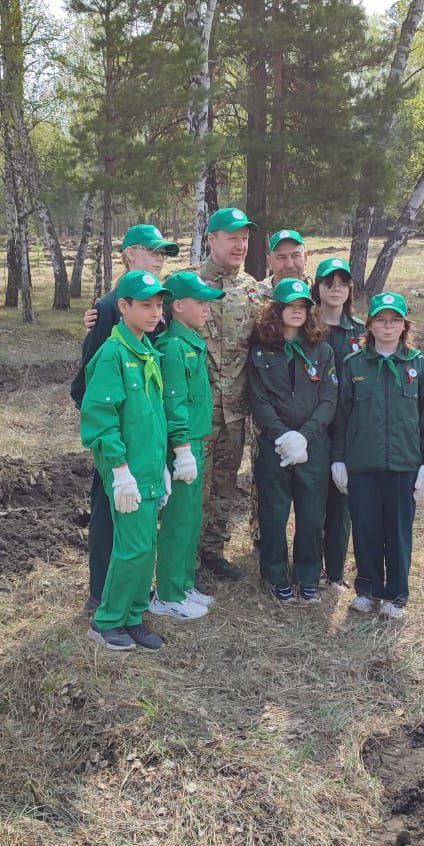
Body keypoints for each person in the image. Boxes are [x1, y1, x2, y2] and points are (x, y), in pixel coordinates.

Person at [71, 223, 179, 612]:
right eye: (153, 252)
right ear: (130, 253)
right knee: (109, 510)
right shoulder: (108, 308)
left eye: (164, 254)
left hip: (145, 433)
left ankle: (131, 591)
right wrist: (111, 438)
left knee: (139, 517)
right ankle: (101, 592)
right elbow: (89, 383)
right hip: (119, 438)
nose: (160, 259)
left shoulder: (152, 303)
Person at [332, 291, 424, 621]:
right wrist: (338, 458)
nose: (388, 326)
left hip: (404, 465)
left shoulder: (419, 364)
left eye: (394, 320)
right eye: (381, 320)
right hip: (362, 464)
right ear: (370, 324)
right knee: (366, 528)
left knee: (397, 532)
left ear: (404, 325)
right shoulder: (354, 364)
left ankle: (396, 594)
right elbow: (342, 415)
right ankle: (368, 590)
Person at [248, 278, 338, 604]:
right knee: (274, 511)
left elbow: (329, 399)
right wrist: (282, 435)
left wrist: (305, 435)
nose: (297, 312)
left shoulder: (322, 350)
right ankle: (274, 574)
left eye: (302, 307)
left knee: (312, 513)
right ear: (277, 310)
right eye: (290, 306)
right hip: (275, 445)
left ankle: (308, 575)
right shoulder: (259, 351)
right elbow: (258, 399)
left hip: (313, 446)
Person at [150, 271, 224, 620]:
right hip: (184, 446)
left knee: (192, 517)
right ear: (177, 306)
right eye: (200, 302)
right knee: (179, 520)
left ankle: (183, 583)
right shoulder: (173, 347)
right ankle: (167, 593)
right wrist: (180, 450)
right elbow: (175, 405)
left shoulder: (191, 341)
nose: (206, 308)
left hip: (196, 442)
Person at [197, 207, 265, 581]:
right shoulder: (186, 285)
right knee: (192, 487)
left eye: (244, 238)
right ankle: (184, 556)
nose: (240, 245)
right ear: (211, 240)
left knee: (225, 483)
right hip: (197, 411)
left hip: (235, 411)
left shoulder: (254, 290)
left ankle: (213, 551)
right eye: (231, 237)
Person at [312, 256, 364, 587]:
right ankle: (310, 565)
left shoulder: (360, 332)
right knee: (312, 500)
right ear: (316, 287)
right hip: (314, 427)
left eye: (342, 283)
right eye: (329, 282)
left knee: (342, 500)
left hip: (348, 428)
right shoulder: (306, 327)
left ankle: (335, 571)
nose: (336, 288)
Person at [260, 228, 307, 293]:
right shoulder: (256, 295)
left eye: (295, 255)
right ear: (270, 262)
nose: (290, 265)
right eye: (281, 257)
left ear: (305, 258)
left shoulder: (317, 293)